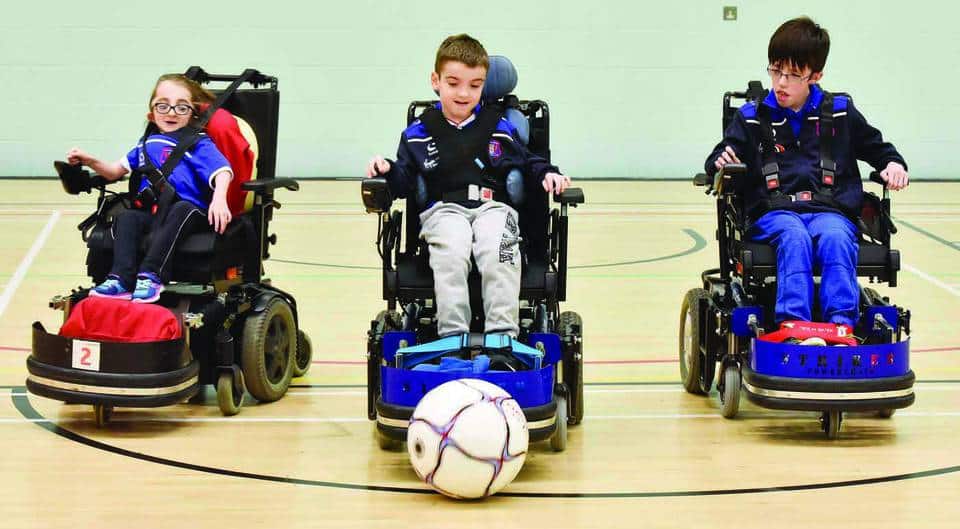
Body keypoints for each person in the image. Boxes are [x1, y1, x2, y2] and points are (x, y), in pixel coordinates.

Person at [705, 17, 909, 340]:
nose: (781, 83)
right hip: (775, 214)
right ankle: (796, 327)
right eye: (775, 71)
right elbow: (720, 155)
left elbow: (878, 148)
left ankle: (841, 326)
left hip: (831, 211)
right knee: (794, 235)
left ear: (815, 75)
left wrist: (893, 164)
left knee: (837, 238)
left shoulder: (840, 112)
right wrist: (720, 162)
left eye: (792, 75)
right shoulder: (751, 118)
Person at [366, 34, 571, 338]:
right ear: (436, 81)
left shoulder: (500, 126)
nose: (464, 93)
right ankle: (452, 338)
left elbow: (528, 161)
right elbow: (403, 180)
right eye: (453, 83)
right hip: (444, 211)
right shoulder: (418, 134)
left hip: (494, 208)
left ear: (484, 85)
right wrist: (386, 169)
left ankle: (503, 338)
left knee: (498, 251)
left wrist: (549, 173)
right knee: (452, 250)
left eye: (475, 86)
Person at [66, 74, 234, 303]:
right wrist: (89, 160)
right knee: (127, 218)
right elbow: (114, 171)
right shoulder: (144, 145)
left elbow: (222, 170)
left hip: (191, 211)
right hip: (154, 211)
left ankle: (151, 276)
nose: (172, 112)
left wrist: (219, 199)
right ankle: (121, 279)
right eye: (163, 105)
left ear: (193, 114)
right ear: (151, 114)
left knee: (182, 208)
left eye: (181, 107)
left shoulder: (197, 142)